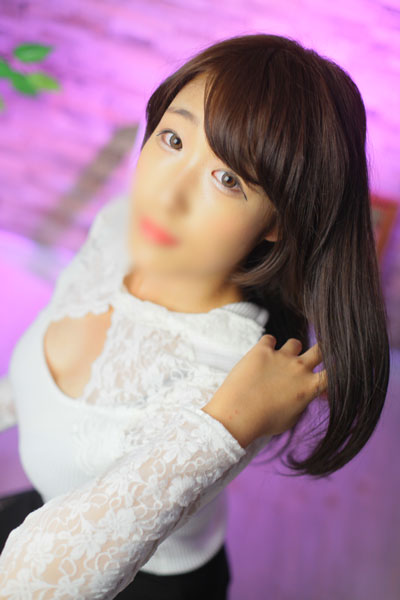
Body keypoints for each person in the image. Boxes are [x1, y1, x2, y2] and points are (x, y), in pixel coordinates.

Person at [0, 32, 390, 599]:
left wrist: (226, 427)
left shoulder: (228, 379)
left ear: (279, 220)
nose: (167, 193)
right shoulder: (119, 227)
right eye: (174, 138)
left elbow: (25, 584)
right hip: (41, 511)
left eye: (227, 179)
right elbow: (36, 376)